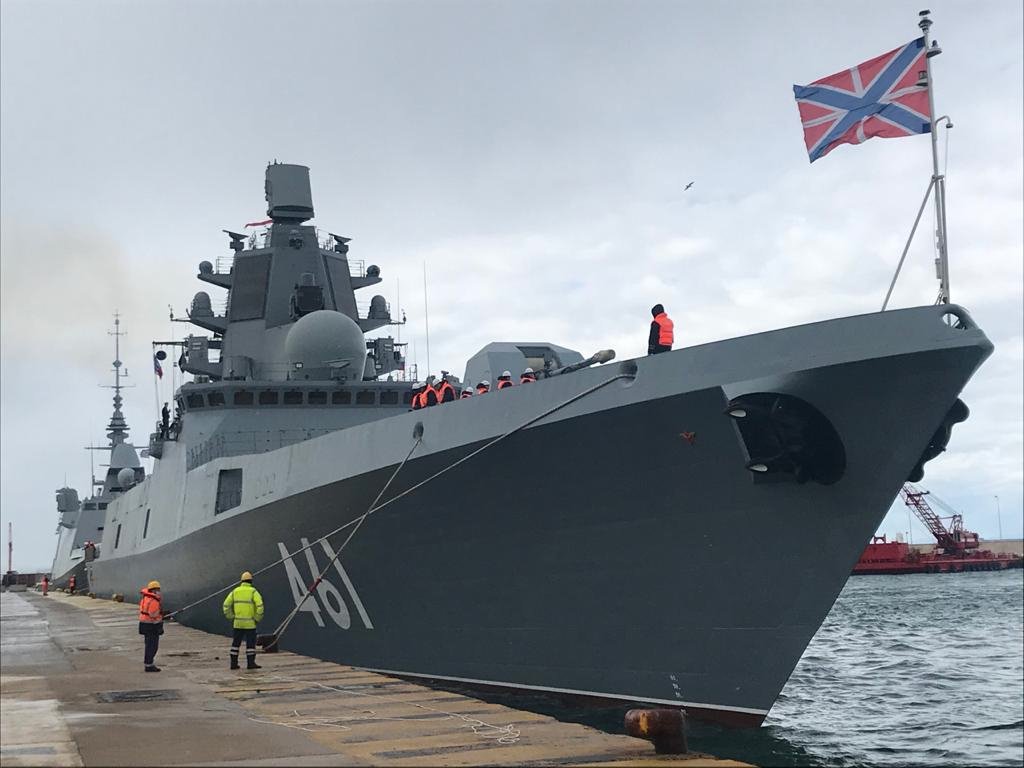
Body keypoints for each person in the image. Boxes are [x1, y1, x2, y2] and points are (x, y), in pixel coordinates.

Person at [223, 571, 265, 670]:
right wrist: (257, 618)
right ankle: (250, 664)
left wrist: (231, 616)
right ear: (251, 581)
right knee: (250, 644)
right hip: (250, 624)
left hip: (237, 623)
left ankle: (233, 664)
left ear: (241, 581)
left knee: (235, 644)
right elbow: (260, 606)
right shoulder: (253, 592)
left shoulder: (235, 591)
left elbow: (226, 605)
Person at [138, 580, 164, 672]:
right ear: (153, 590)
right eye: (157, 589)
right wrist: (161, 616)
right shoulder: (154, 600)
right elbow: (153, 614)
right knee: (152, 646)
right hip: (151, 625)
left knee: (148, 645)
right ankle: (149, 665)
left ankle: (148, 663)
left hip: (144, 624)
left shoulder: (145, 598)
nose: (159, 591)